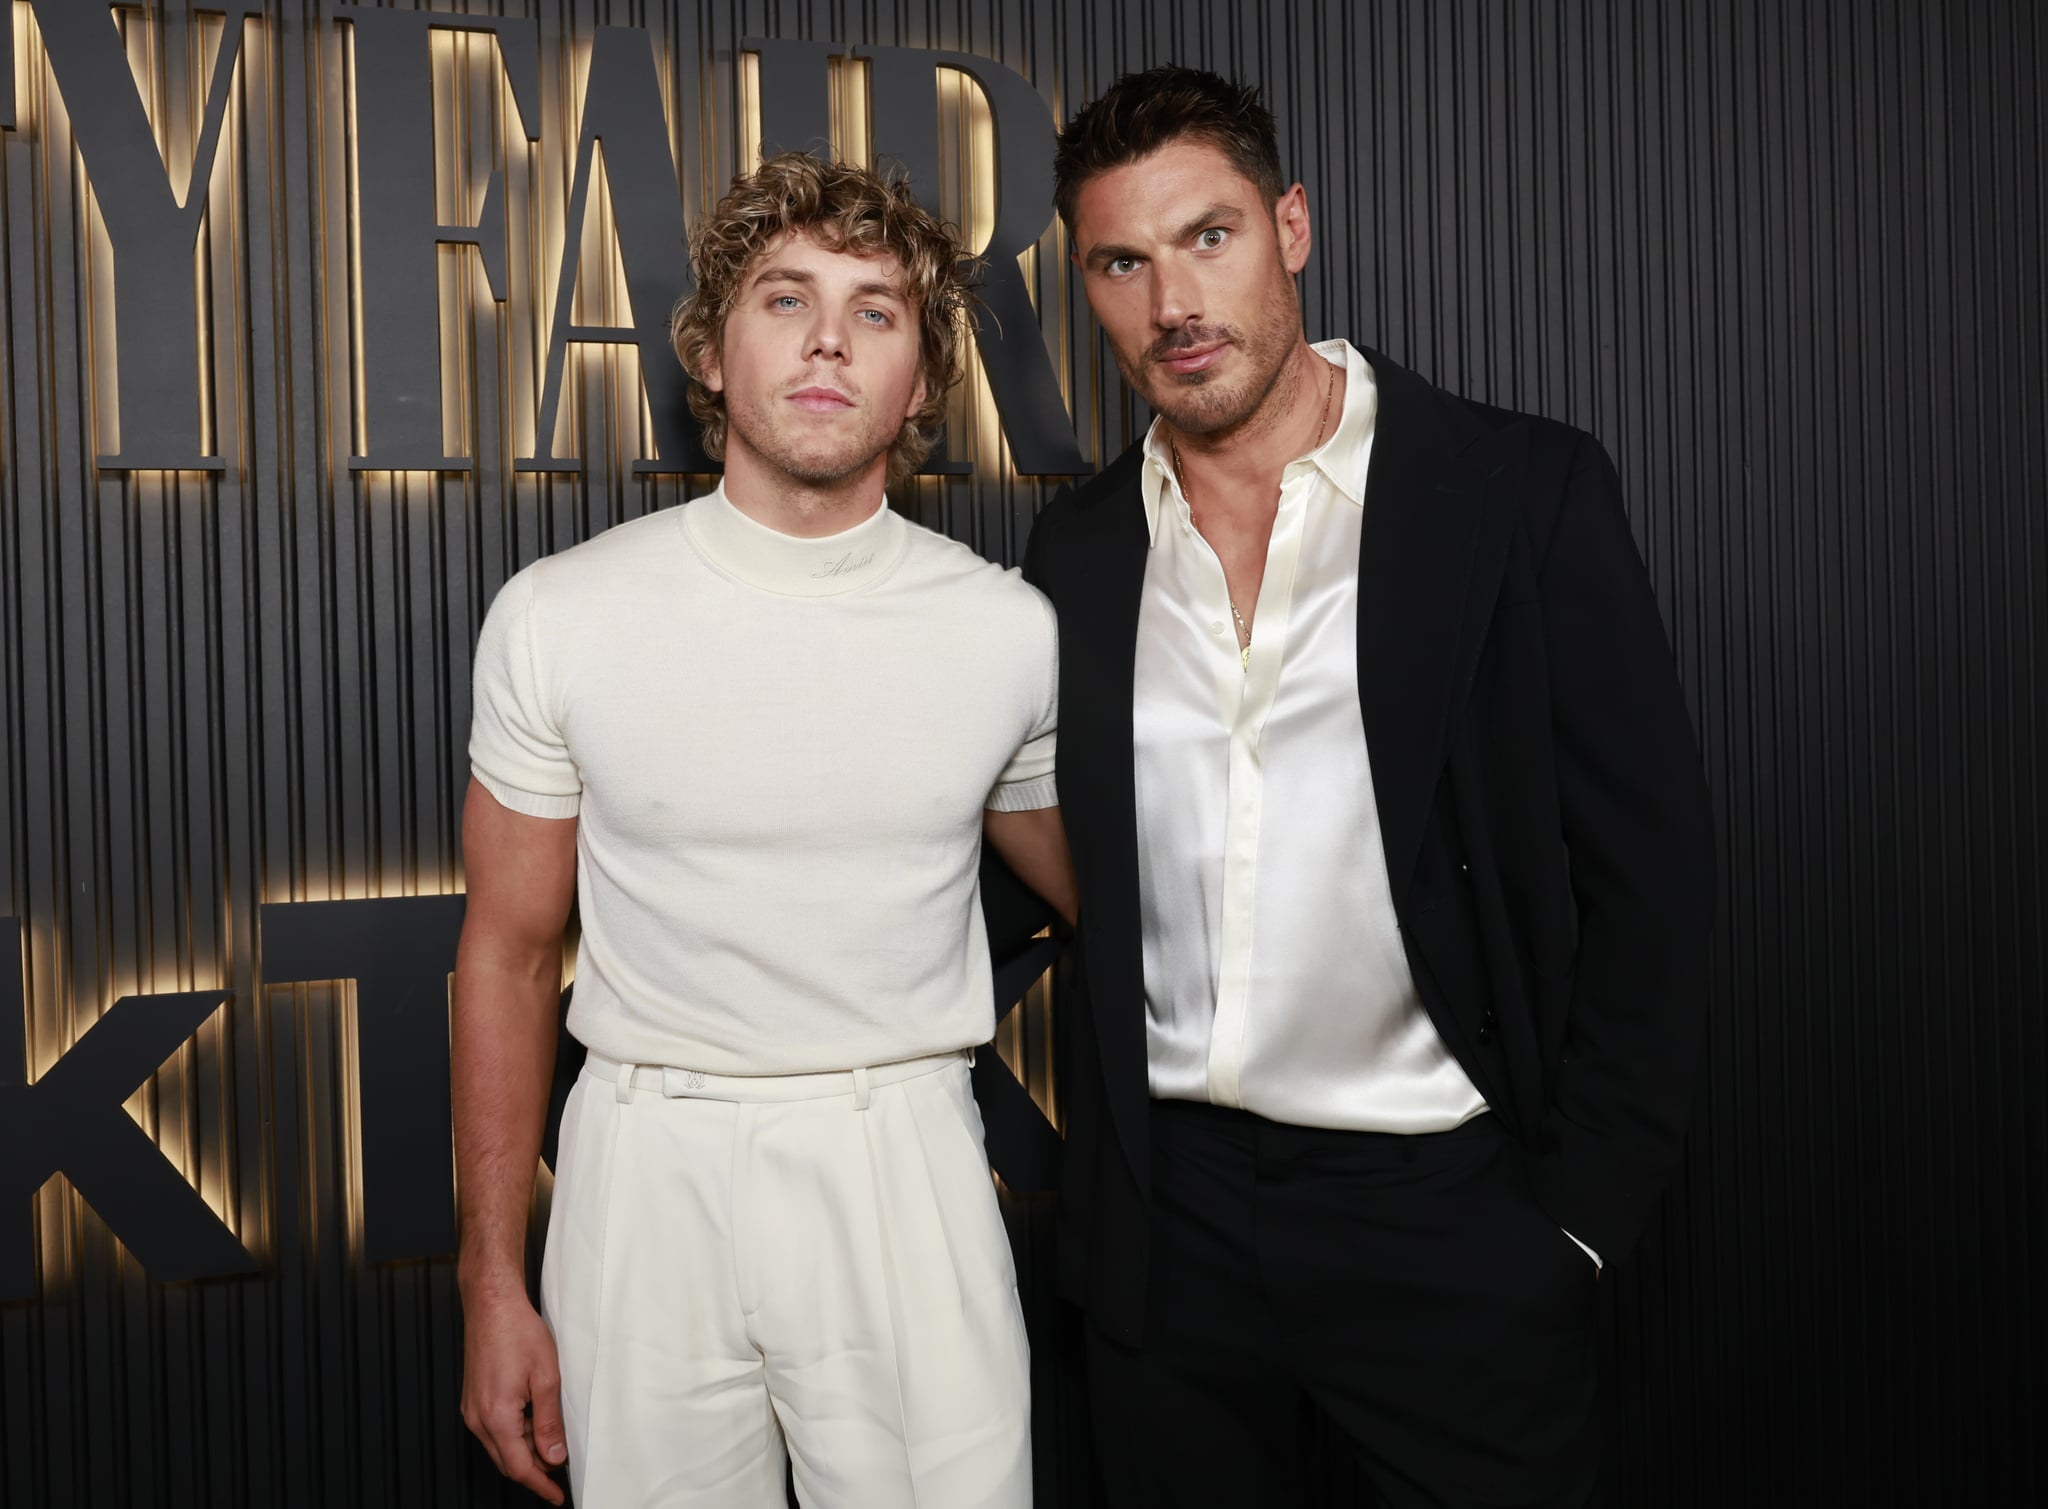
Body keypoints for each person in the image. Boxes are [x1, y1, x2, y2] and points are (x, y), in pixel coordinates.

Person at [1025, 66, 1715, 1507]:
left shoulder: (1520, 492)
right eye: (1123, 263)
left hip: (1444, 1206)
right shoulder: (1075, 550)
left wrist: (1574, 1225)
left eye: (1208, 237)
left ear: (1292, 226)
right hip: (1171, 1225)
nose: (1174, 306)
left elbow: (1652, 883)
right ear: (1086, 284)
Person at [451, 151, 1074, 1509]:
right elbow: (502, 951)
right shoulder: (560, 615)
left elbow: (1119, 899)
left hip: (902, 1148)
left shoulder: (1008, 631)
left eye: (876, 310)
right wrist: (492, 1278)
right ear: (715, 355)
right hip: (641, 1160)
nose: (828, 343)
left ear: (921, 381)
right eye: (786, 299)